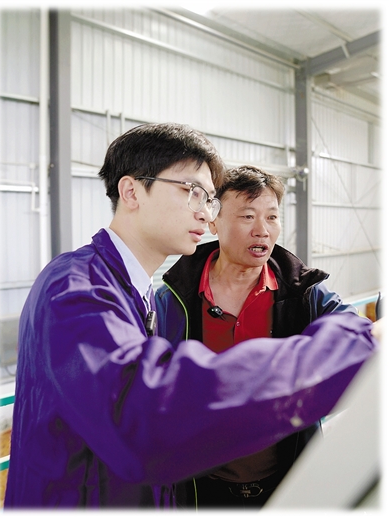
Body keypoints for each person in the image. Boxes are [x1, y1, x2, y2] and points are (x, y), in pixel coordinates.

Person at [4, 124, 379, 509]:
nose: (203, 211)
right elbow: (146, 418)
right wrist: (349, 348)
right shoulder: (77, 288)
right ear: (131, 191)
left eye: (209, 199)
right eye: (191, 191)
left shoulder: (135, 292)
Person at [155, 164, 379, 509]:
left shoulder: (306, 294)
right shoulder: (173, 300)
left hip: (289, 485)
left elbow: (358, 339)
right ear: (213, 220)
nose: (262, 230)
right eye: (247, 216)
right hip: (200, 490)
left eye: (272, 217)